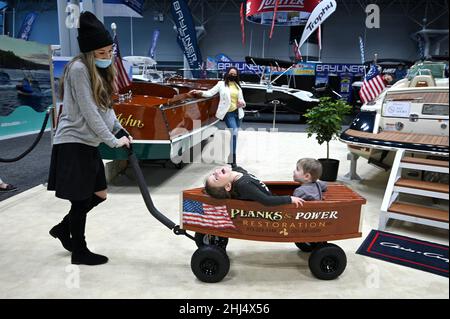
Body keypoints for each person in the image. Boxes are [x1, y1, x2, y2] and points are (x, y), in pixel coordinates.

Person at [47, 11, 132, 266]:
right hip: (73, 142)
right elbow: (89, 111)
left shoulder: (99, 71)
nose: (107, 57)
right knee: (81, 198)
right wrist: (113, 142)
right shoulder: (78, 69)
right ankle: (79, 251)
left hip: (88, 143)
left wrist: (120, 130)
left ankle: (63, 229)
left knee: (100, 194)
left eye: (109, 52)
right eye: (101, 53)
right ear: (88, 52)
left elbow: (106, 109)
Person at [189, 67, 246, 166]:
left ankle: (230, 157)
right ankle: (233, 159)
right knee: (234, 133)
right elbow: (210, 93)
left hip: (238, 113)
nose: (233, 75)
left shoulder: (237, 86)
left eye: (235, 74)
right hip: (228, 113)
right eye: (231, 73)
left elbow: (243, 101)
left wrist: (242, 104)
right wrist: (200, 92)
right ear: (227, 73)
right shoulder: (221, 84)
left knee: (235, 136)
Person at [204, 165, 304, 207]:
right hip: (275, 205)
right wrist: (289, 199)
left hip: (274, 196)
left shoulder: (237, 171)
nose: (216, 173)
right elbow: (267, 201)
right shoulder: (243, 186)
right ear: (227, 187)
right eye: (216, 178)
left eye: (213, 174)